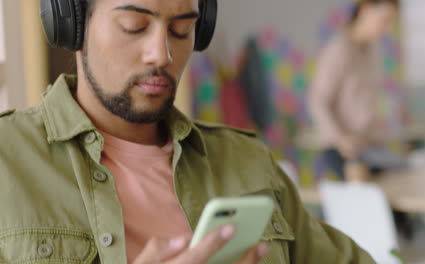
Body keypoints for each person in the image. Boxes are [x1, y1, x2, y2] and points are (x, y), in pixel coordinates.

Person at [0, 0, 375, 263]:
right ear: (73, 23)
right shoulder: (8, 160)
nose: (161, 54)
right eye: (135, 26)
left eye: (181, 30)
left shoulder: (246, 161)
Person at [309, 0, 405, 180]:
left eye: (392, 21)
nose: (387, 28)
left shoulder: (373, 49)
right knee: (363, 196)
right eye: (384, 20)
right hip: (345, 150)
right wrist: (340, 138)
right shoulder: (338, 50)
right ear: (365, 9)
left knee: (402, 175)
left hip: (370, 145)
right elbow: (318, 101)